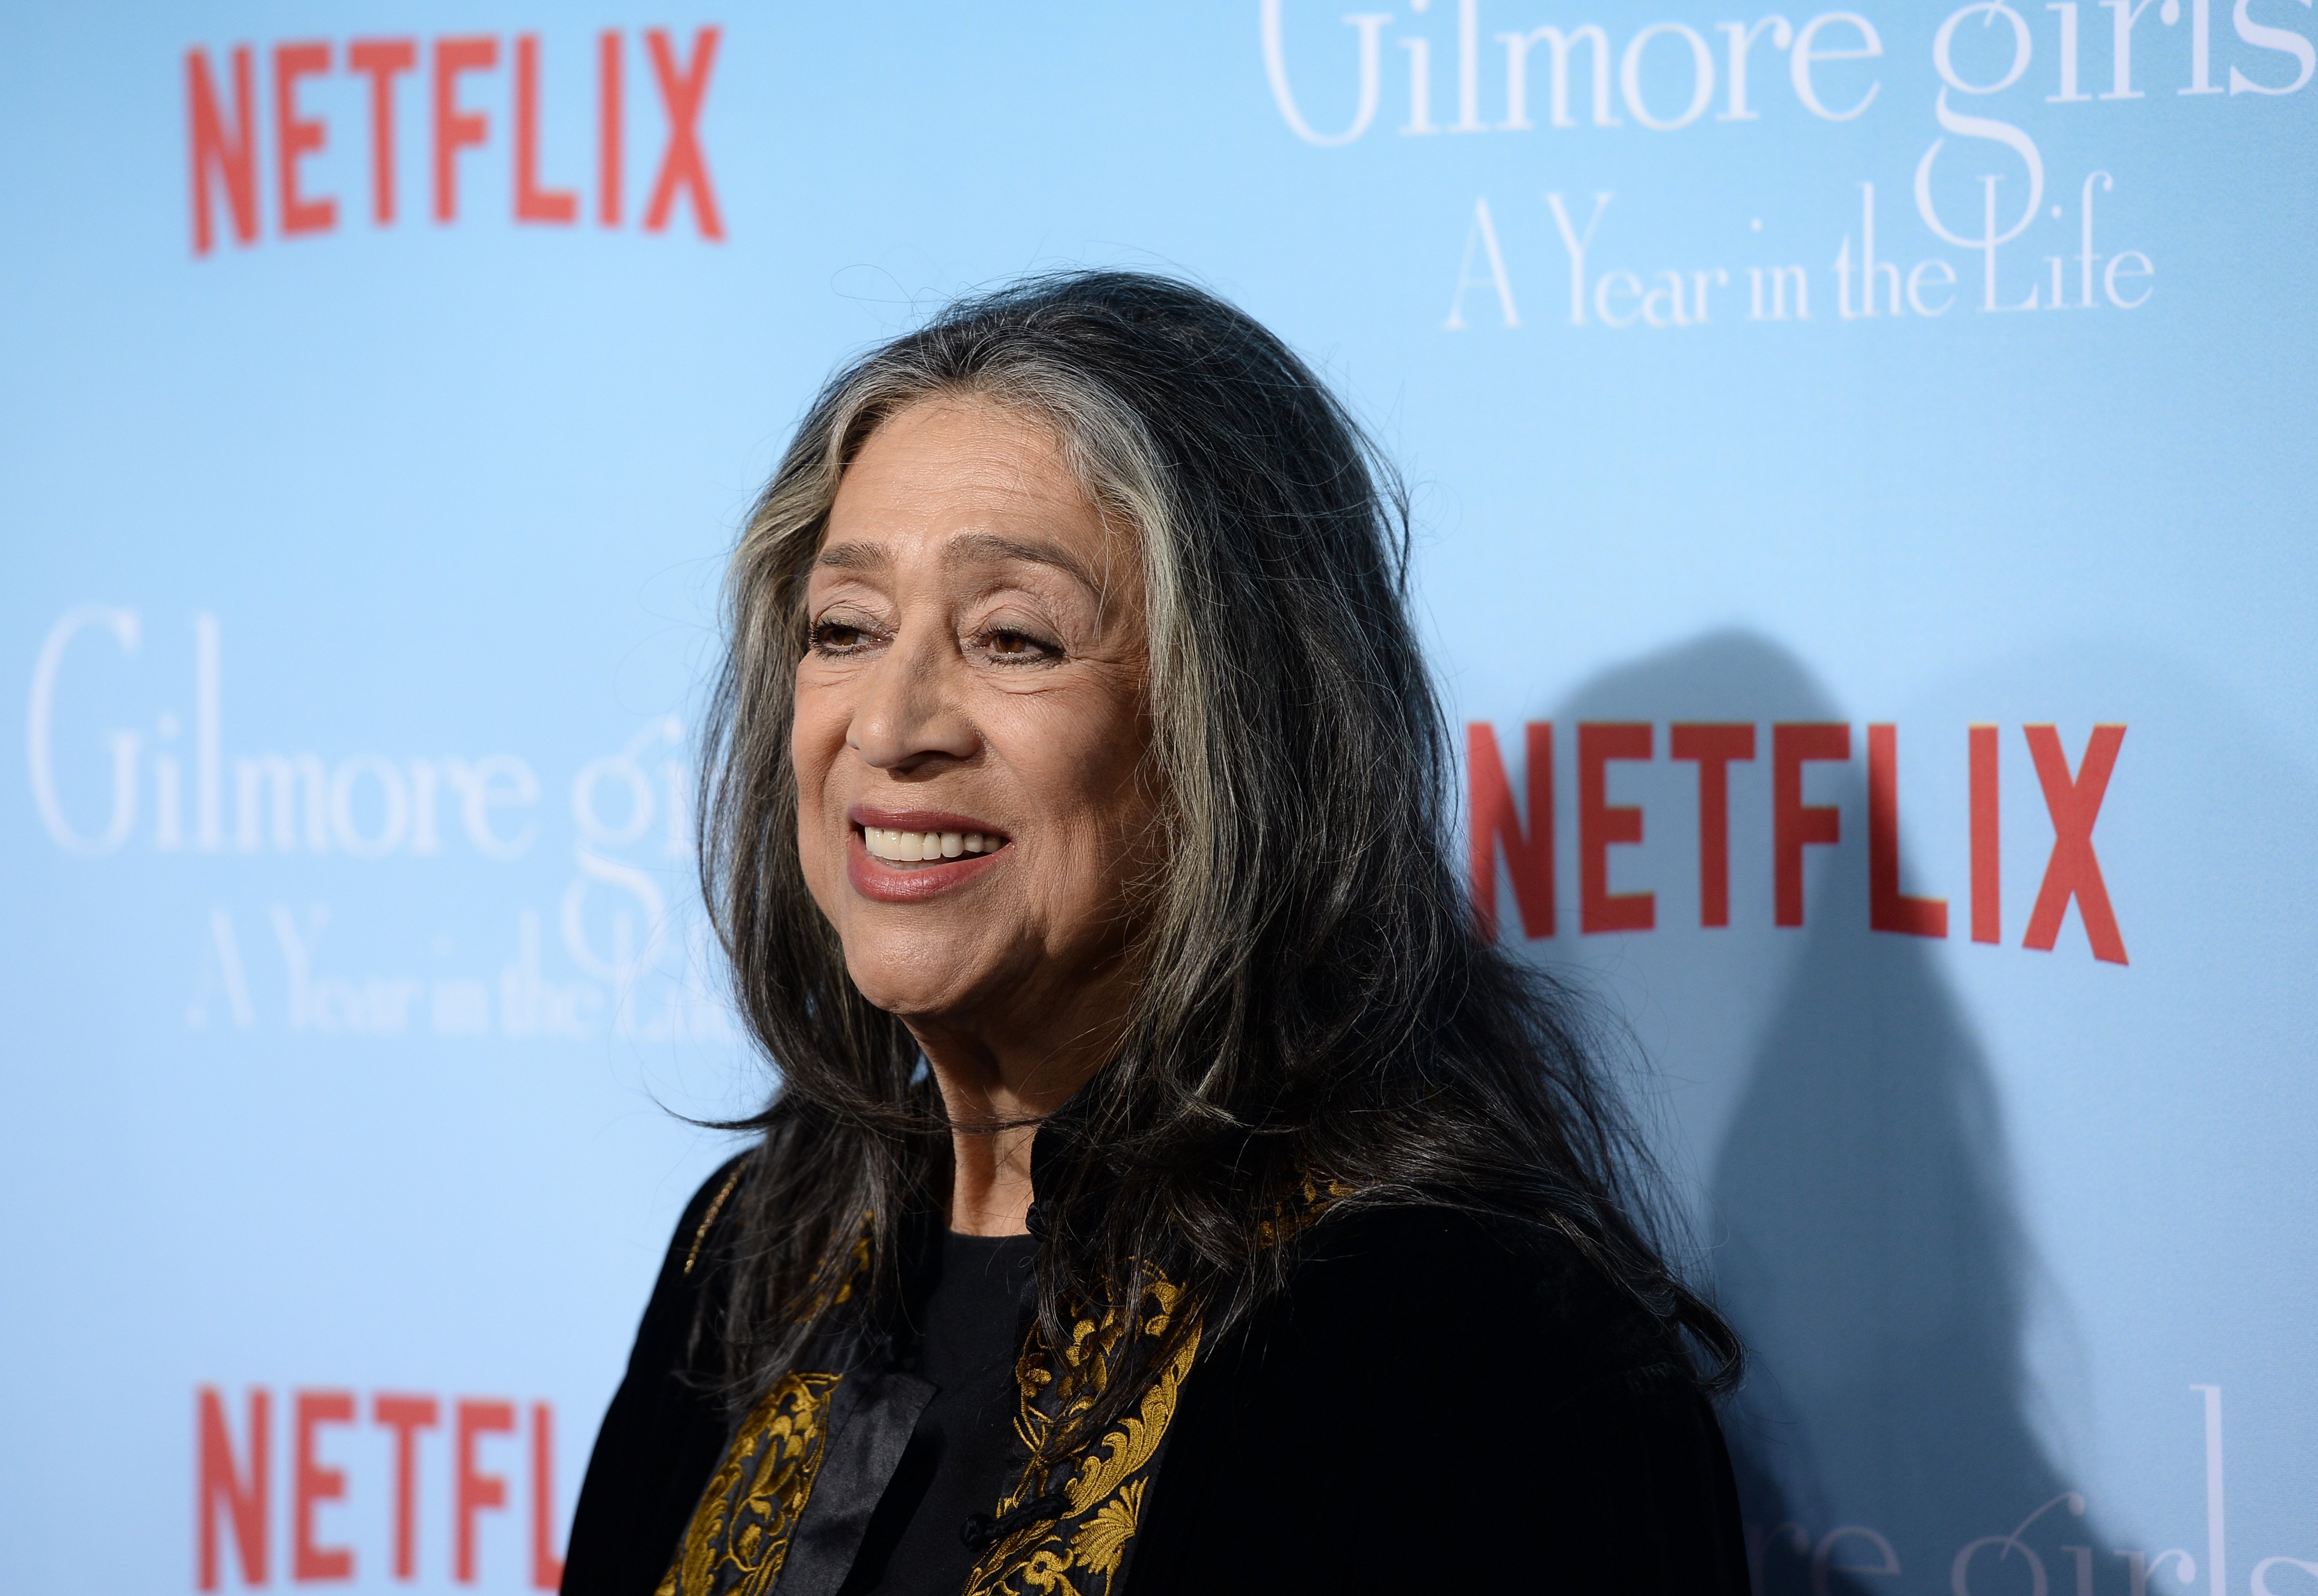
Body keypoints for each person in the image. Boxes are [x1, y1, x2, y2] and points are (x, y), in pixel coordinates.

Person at [561, 270, 1749, 1596]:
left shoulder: (1469, 1342)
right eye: (845, 628)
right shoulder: (754, 1246)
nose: (889, 726)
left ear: (1241, 725)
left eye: (1013, 638)